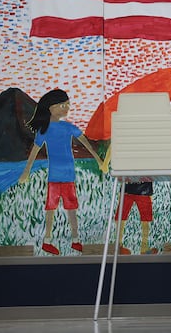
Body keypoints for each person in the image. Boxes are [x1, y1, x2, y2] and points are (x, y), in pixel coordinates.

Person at [19, 89, 106, 255]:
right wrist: (26, 171)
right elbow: (34, 151)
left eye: (68, 105)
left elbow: (86, 144)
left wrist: (99, 160)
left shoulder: (68, 127)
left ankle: (75, 240)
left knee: (71, 208)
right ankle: (47, 240)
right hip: (55, 177)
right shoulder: (44, 130)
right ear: (51, 108)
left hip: (68, 176)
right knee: (51, 208)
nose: (67, 108)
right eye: (63, 105)